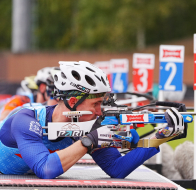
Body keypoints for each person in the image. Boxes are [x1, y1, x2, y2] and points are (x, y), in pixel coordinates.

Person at [0, 61, 185, 179]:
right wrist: (89, 142)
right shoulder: (25, 119)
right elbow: (46, 169)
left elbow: (117, 168)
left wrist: (162, 135)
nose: (99, 112)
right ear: (73, 101)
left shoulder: (86, 126)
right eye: (96, 103)